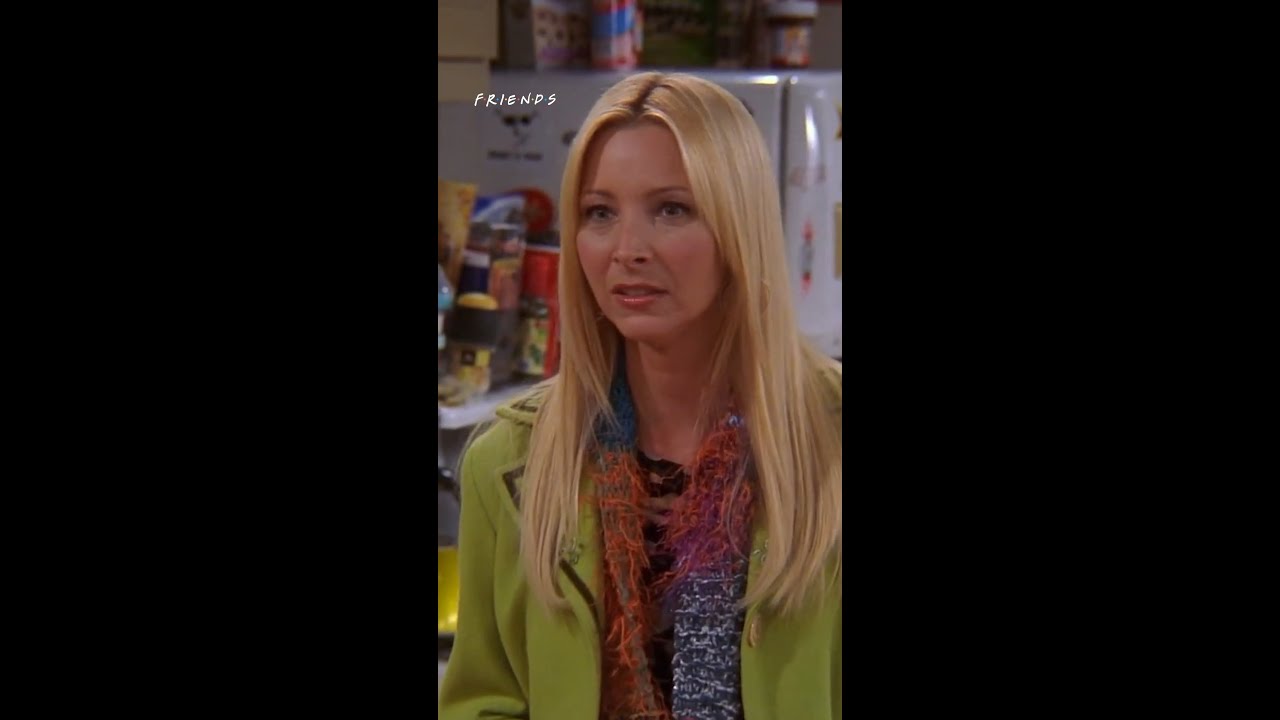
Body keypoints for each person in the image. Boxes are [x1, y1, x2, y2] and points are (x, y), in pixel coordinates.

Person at [439, 71, 842, 720]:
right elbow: (483, 702)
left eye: (671, 209)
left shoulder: (829, 441)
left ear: (738, 226)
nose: (627, 250)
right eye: (600, 213)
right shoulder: (511, 462)